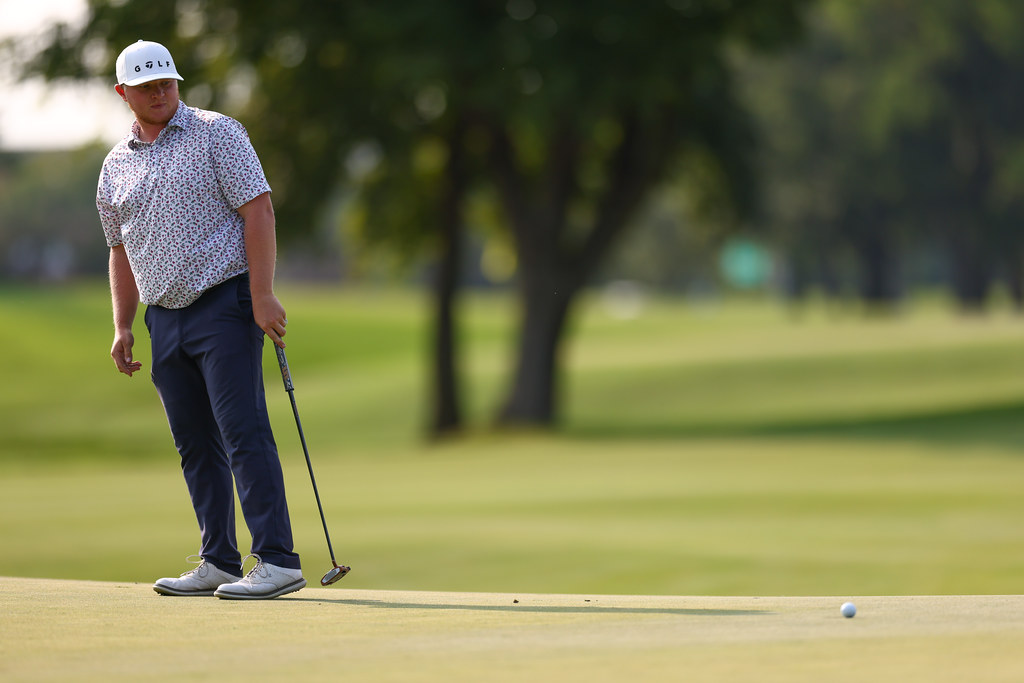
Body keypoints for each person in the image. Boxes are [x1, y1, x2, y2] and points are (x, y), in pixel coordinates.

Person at [97, 39, 304, 600]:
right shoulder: (115, 165)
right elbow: (120, 250)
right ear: (124, 94)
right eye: (147, 87)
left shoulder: (219, 132)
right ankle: (218, 559)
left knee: (242, 432)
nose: (160, 93)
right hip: (162, 316)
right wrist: (123, 324)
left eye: (167, 83)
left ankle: (279, 559)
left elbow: (257, 210)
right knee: (194, 442)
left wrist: (262, 295)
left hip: (224, 304)